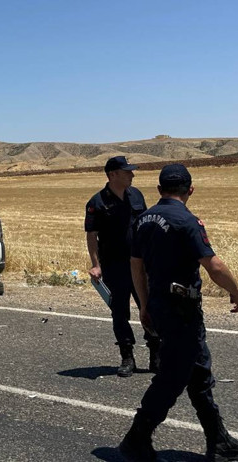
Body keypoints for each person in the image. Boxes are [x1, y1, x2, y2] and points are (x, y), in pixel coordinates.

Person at [119, 164, 238, 462]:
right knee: (172, 376)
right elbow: (214, 265)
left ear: (159, 190)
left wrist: (144, 304)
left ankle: (217, 440)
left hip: (160, 304)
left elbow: (136, 265)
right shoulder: (187, 221)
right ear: (190, 190)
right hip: (181, 310)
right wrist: (237, 292)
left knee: (198, 372)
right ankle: (136, 439)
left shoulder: (143, 220)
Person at [85, 156, 160, 377]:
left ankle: (156, 353)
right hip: (114, 266)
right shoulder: (96, 203)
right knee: (119, 313)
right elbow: (92, 236)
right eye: (127, 171)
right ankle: (127, 357)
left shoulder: (136, 195)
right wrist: (95, 265)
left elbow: (145, 226)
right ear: (113, 175)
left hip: (139, 263)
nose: (132, 175)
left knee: (149, 307)